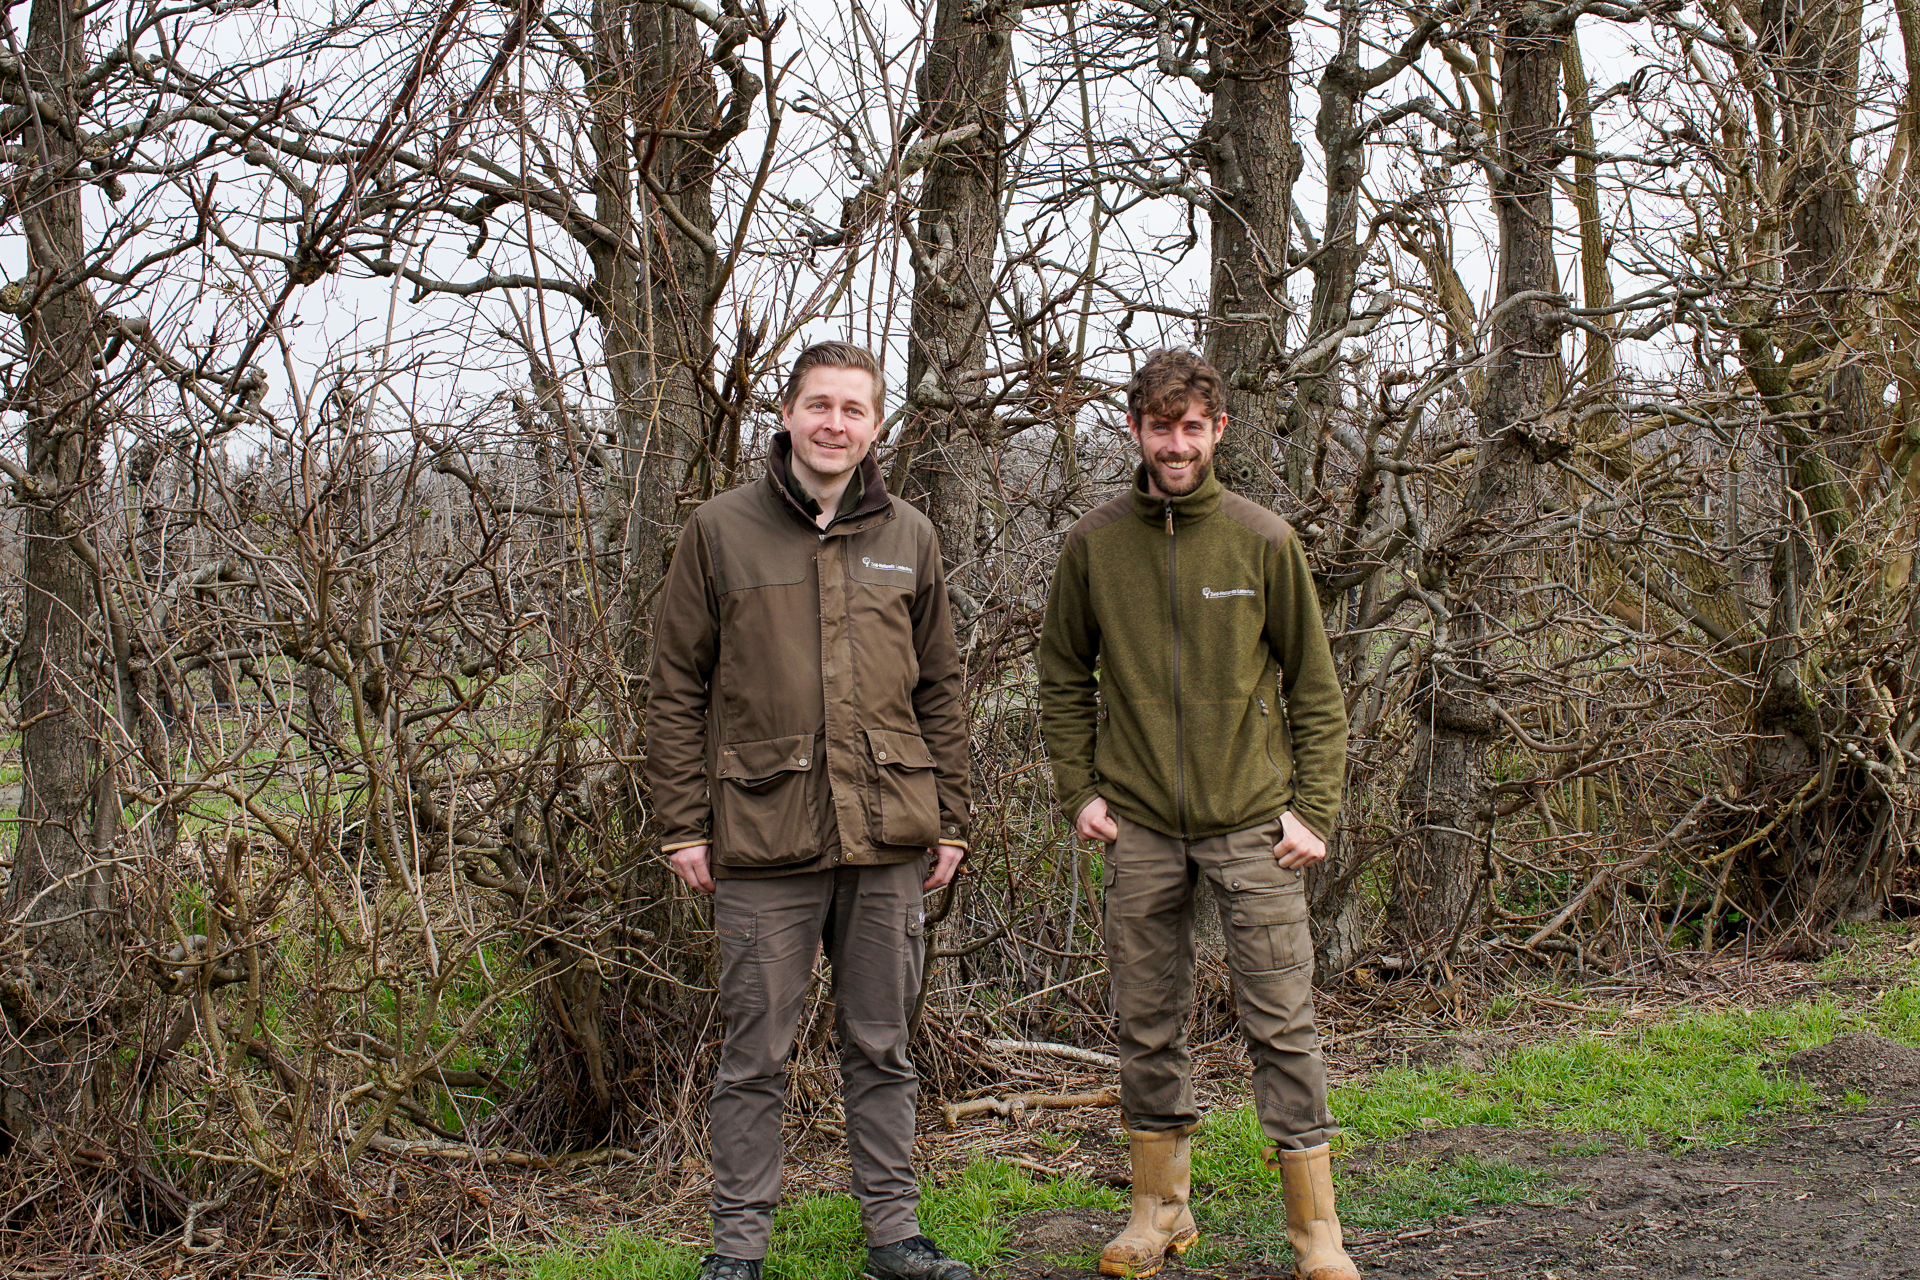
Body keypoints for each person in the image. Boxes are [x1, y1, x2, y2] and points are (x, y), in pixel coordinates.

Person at [647, 341, 975, 1280]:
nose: (836, 425)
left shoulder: (909, 534)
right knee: (754, 1055)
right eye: (819, 405)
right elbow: (676, 686)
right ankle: (737, 1250)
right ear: (786, 414)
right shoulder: (719, 530)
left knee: (883, 1046)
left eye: (855, 410)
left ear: (878, 426)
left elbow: (941, 689)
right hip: (761, 838)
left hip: (887, 836)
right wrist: (682, 821)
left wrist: (952, 818)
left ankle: (895, 1239)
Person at [1038, 349, 1358, 1280]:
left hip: (1253, 822)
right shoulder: (1094, 544)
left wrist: (1313, 811)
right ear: (1134, 430)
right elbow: (1062, 676)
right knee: (1146, 1021)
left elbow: (1316, 688)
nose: (1175, 444)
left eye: (1192, 427)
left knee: (1282, 1022)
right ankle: (1157, 1213)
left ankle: (1316, 1234)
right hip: (1137, 822)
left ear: (1219, 431)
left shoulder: (1263, 539)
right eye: (1158, 426)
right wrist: (1080, 792)